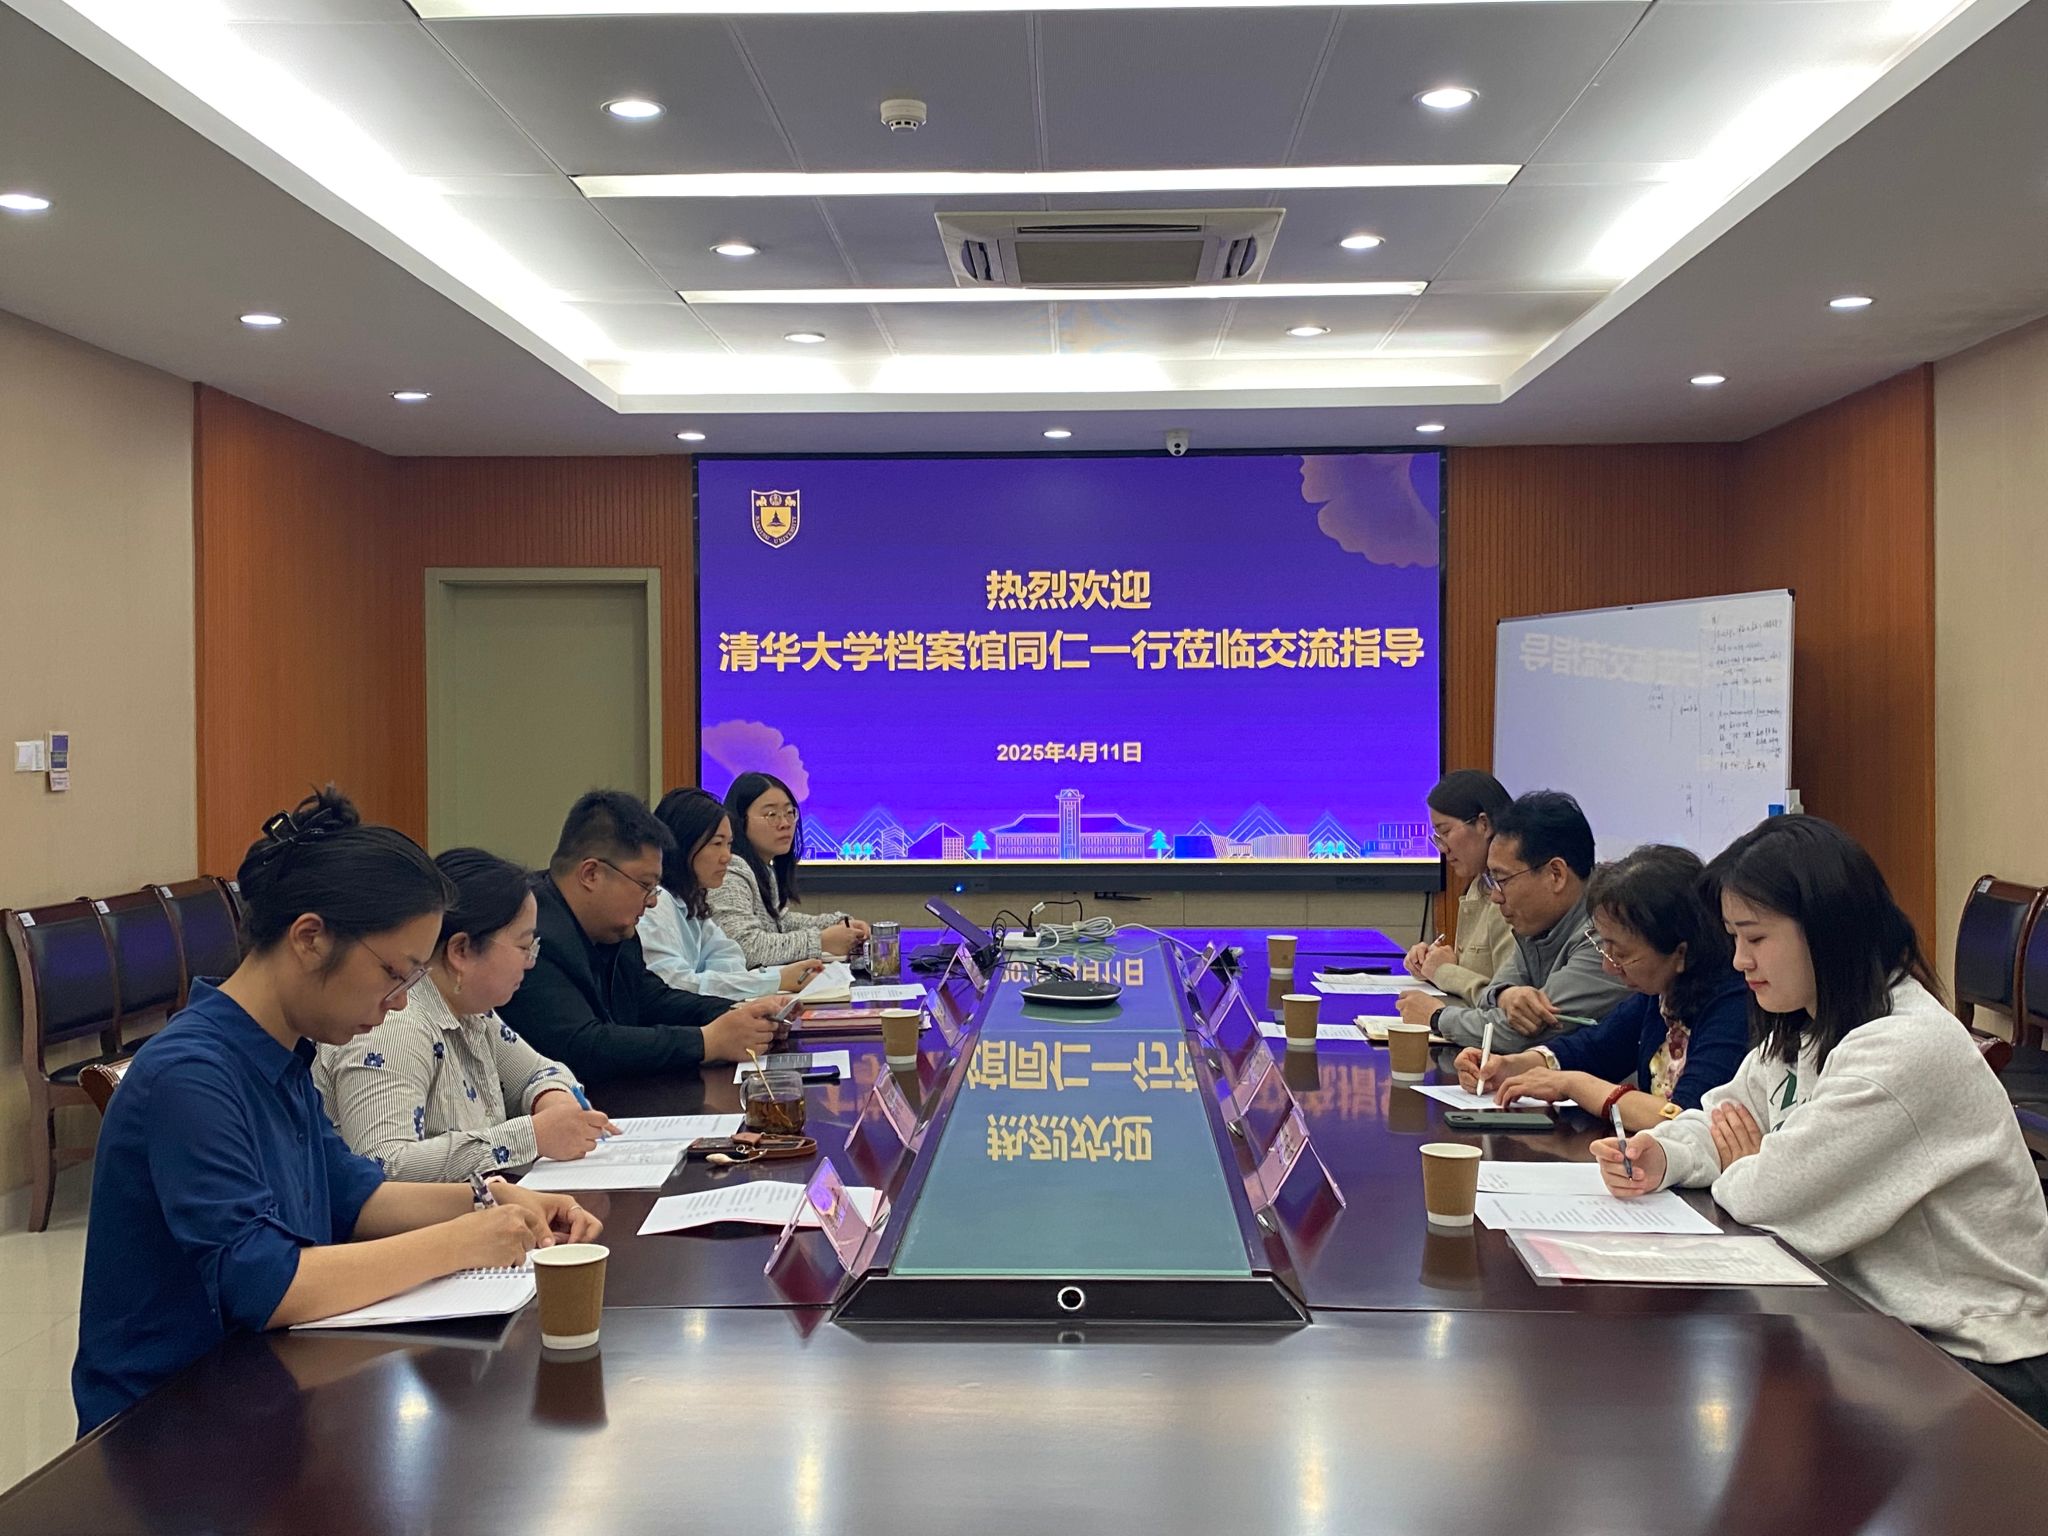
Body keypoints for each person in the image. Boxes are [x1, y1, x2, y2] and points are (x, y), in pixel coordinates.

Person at [72, 789, 600, 1435]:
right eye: (395, 974)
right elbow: (264, 1283)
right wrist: (464, 1240)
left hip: (263, 1387)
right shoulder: (191, 1074)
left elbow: (352, 1194)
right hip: (169, 1426)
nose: (400, 1003)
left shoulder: (282, 1049)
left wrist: (489, 1198)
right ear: (310, 938)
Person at [1596, 816, 2048, 1425]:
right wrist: (1664, 1154)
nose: (1739, 961)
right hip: (1877, 1326)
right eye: (1733, 938)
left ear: (1826, 929)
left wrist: (1750, 1163)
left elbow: (1772, 1199)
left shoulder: (1901, 1049)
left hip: (1976, 1357)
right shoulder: (1810, 1022)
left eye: (1755, 938)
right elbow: (1723, 1113)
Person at [316, 847, 619, 1180]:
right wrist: (532, 1136)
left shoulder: (473, 1011)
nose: (530, 962)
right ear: (460, 950)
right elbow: (384, 1165)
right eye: (524, 947)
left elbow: (538, 1072)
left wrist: (554, 1101)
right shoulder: (393, 1025)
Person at [495, 788, 785, 1081]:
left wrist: (741, 1014)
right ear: (591, 874)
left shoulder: (614, 929)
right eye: (645, 885)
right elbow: (582, 1046)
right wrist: (706, 1042)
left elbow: (650, 999)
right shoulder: (531, 935)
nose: (653, 901)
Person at [1455, 844, 1748, 1127]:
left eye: (1621, 953)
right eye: (1605, 948)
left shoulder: (1733, 1005)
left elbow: (1684, 1117)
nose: (1609, 966)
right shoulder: (1662, 993)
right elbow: (1594, 1049)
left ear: (1680, 952)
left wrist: (1572, 1085)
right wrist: (1510, 1066)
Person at [1399, 789, 1630, 1050]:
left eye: (1502, 880)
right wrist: (1505, 995)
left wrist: (1436, 1017)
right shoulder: (1537, 924)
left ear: (1556, 874)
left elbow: (1520, 1034)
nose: (1496, 897)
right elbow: (1492, 997)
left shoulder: (1606, 936)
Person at [641, 788, 827, 1000]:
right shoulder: (656, 904)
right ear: (682, 844)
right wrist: (777, 980)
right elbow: (676, 986)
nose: (727, 857)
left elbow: (730, 958)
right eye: (717, 844)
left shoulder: (692, 901)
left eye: (729, 844)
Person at [708, 771, 869, 967]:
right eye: (771, 815)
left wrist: (838, 924)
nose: (785, 824)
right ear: (740, 820)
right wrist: (821, 941)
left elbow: (780, 922)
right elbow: (744, 948)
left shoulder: (763, 868)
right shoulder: (728, 873)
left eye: (789, 813)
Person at [1404, 769, 1516, 1005]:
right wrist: (1432, 962)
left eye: (1445, 832)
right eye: (1437, 837)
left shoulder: (1514, 893)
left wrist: (1443, 971)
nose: (1442, 848)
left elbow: (1507, 998)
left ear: (1484, 824)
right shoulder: (1479, 885)